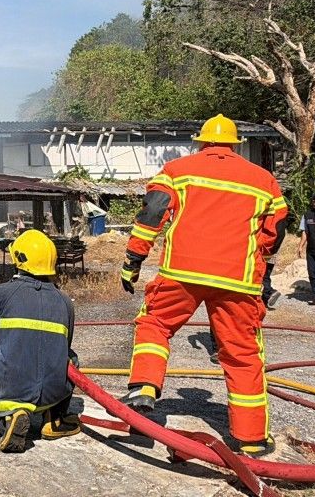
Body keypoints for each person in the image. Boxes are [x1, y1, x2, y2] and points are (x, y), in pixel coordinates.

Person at [118, 114, 287, 457]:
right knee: (241, 353)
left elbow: (153, 214)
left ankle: (144, 388)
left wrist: (132, 261)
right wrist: (260, 268)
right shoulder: (264, 180)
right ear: (236, 145)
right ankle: (251, 439)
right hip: (238, 280)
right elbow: (275, 231)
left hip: (182, 272)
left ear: (201, 141)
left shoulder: (178, 171)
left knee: (155, 324)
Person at [0, 229, 83, 453]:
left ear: (19, 259)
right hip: (53, 393)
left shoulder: (1, 293)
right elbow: (64, 347)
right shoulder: (65, 302)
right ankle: (54, 418)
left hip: (11, 390)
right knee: (71, 358)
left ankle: (8, 418)